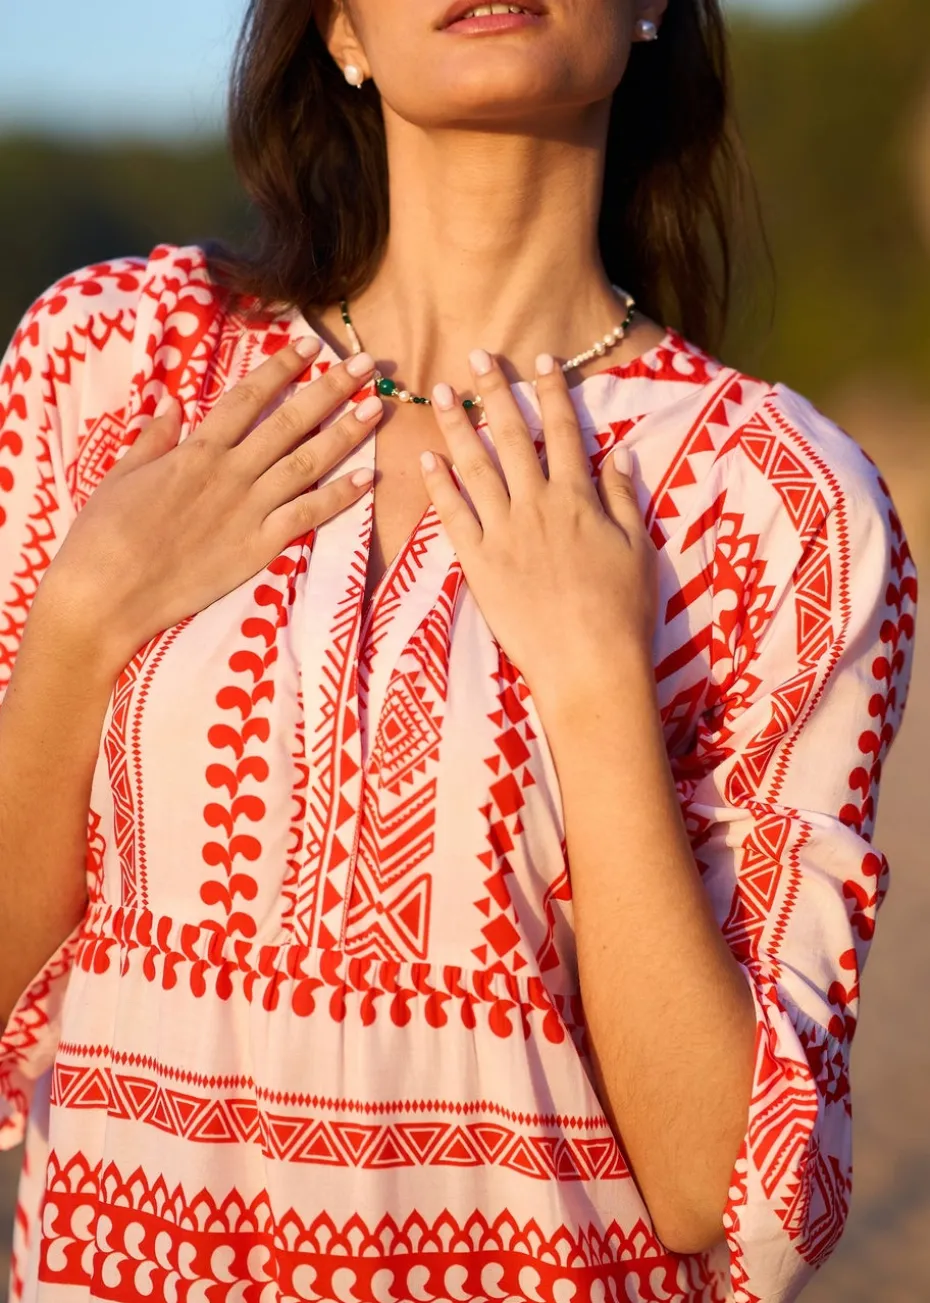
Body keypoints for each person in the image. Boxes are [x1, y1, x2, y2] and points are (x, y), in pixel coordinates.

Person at [0, 1, 917, 1300]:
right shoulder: (111, 364)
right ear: (338, 31)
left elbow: (712, 1187)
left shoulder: (773, 500)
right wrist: (81, 623)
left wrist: (600, 693)